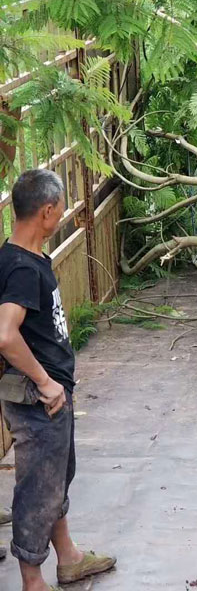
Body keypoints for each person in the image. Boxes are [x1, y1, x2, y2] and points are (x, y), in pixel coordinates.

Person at [0, 169, 116, 591]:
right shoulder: (21, 269)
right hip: (37, 398)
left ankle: (68, 558)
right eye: (61, 207)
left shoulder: (24, 258)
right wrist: (46, 382)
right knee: (36, 489)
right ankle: (33, 581)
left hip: (51, 394)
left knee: (56, 476)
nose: (63, 214)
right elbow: (5, 335)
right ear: (47, 211)